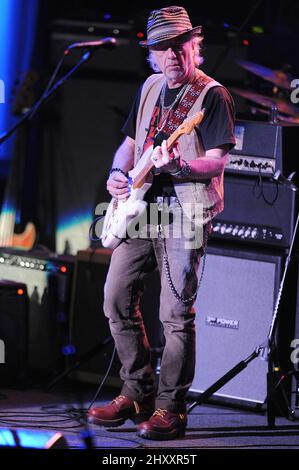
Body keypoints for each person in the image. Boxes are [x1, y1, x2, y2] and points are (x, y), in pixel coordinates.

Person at [88, 6, 235, 440]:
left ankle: (172, 407)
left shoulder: (212, 96)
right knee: (115, 297)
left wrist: (180, 167)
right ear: (153, 54)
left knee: (175, 313)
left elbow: (216, 162)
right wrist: (117, 175)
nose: (172, 54)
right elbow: (129, 146)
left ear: (195, 45)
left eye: (179, 44)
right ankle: (137, 391)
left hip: (185, 211)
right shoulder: (150, 86)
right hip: (140, 207)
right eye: (163, 48)